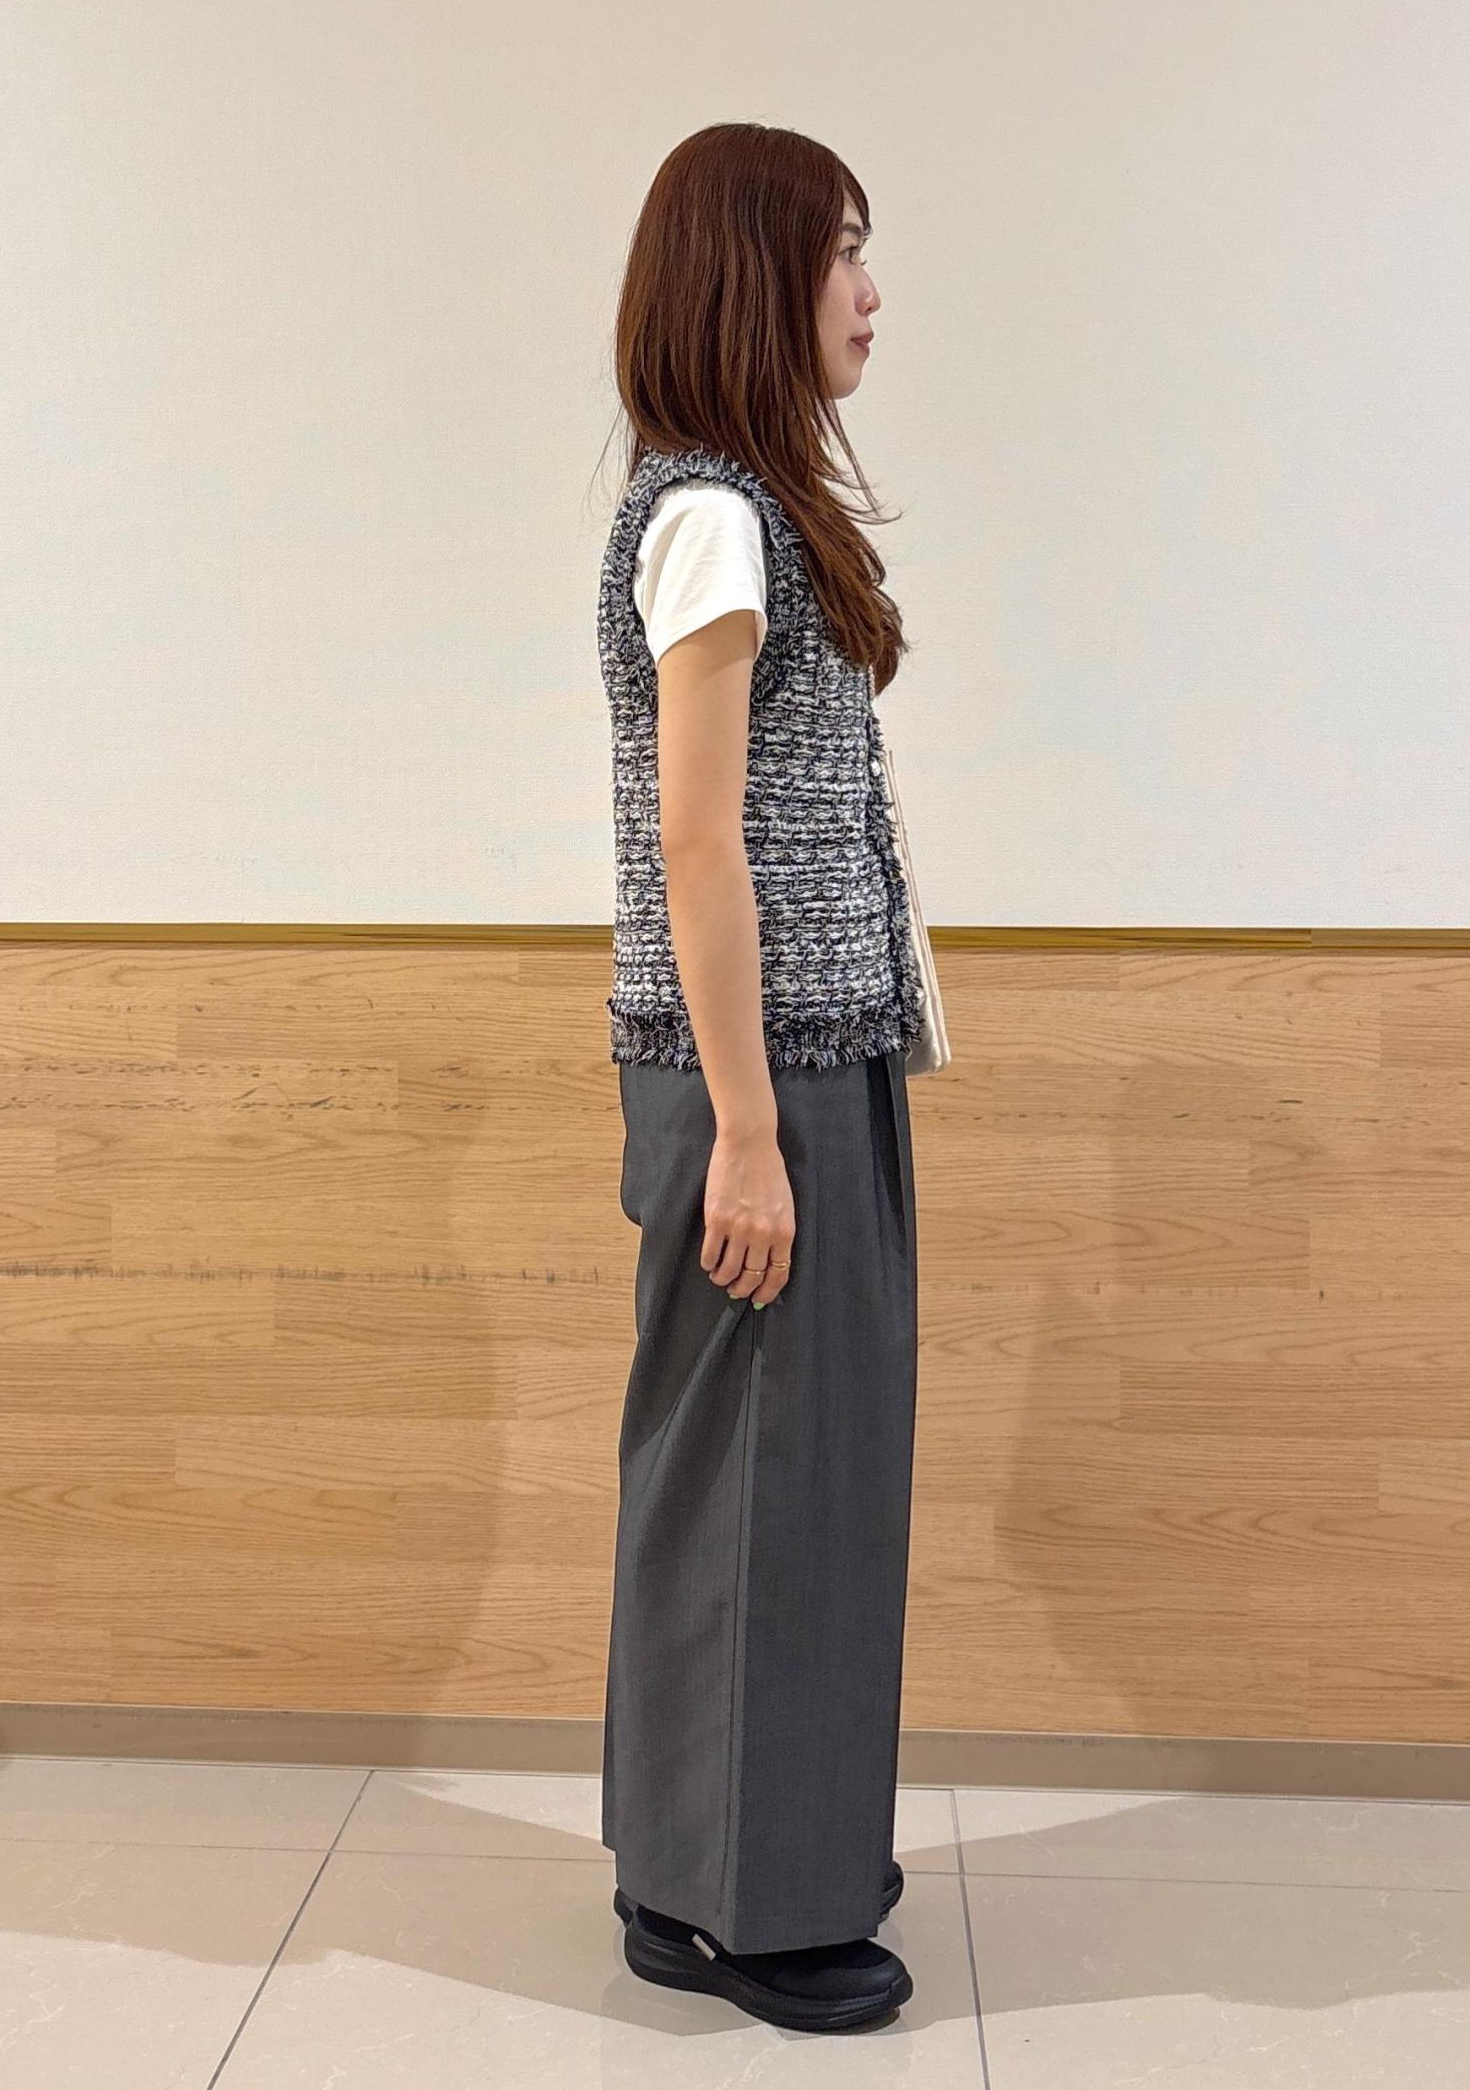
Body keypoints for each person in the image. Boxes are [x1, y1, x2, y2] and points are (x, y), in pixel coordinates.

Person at [595, 121, 927, 2036]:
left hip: (800, 1062)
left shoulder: (742, 510)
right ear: (756, 275)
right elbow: (695, 840)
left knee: (776, 1478)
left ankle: (706, 1873)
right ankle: (740, 1905)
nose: (871, 294)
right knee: (765, 1485)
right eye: (843, 253)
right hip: (759, 1077)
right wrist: (743, 1129)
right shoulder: (711, 516)